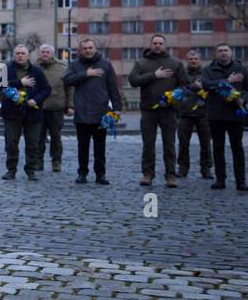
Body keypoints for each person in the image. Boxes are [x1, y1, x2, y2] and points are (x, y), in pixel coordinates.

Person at [128, 33, 189, 188]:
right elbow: (133, 81)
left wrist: (176, 95)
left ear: (165, 45)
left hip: (169, 110)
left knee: (169, 144)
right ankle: (148, 174)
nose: (157, 45)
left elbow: (185, 85)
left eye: (160, 43)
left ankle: (171, 176)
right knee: (148, 143)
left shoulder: (175, 63)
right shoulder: (141, 63)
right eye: (155, 43)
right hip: (148, 110)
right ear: (150, 45)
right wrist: (154, 75)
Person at [63, 37, 121, 185]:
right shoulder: (75, 65)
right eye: (85, 48)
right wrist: (86, 74)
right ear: (80, 50)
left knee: (100, 147)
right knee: (83, 146)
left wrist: (117, 108)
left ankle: (100, 175)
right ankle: (82, 173)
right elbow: (67, 80)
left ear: (95, 48)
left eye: (90, 48)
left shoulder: (106, 65)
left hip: (101, 113)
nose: (88, 50)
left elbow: (113, 88)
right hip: (81, 113)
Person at [201, 43, 248, 192]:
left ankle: (241, 181)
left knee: (237, 147)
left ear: (231, 53)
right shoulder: (208, 69)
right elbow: (205, 84)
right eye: (220, 51)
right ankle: (220, 180)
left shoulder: (241, 69)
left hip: (235, 114)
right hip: (216, 114)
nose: (223, 53)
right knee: (218, 148)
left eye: (226, 51)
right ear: (216, 54)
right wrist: (227, 81)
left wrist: (243, 100)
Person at [1, 44, 51, 181]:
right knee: (11, 142)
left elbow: (47, 89)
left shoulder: (37, 71)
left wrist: (36, 100)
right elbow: (0, 86)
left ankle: (31, 170)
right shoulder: (6, 69)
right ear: (14, 55)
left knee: (32, 143)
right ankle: (11, 170)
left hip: (32, 113)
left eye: (23, 53)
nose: (20, 55)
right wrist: (20, 82)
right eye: (17, 53)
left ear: (28, 55)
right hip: (11, 113)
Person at [176, 49, 213, 180]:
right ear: (187, 60)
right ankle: (182, 168)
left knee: (206, 144)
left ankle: (206, 169)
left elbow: (212, 89)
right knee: (183, 143)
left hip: (203, 113)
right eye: (191, 59)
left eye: (195, 59)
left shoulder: (207, 74)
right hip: (184, 113)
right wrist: (193, 87)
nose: (193, 61)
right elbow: (176, 90)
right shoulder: (181, 74)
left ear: (200, 60)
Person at [35, 44, 71, 173]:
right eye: (43, 52)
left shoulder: (62, 68)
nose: (45, 54)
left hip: (56, 107)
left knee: (56, 137)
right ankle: (38, 161)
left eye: (47, 52)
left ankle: (56, 161)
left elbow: (69, 87)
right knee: (38, 137)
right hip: (38, 107)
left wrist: (70, 105)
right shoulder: (34, 68)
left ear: (52, 53)